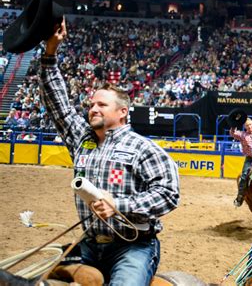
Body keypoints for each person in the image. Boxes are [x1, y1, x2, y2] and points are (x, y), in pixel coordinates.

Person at [40, 19, 180, 285]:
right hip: (89, 243)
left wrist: (119, 205)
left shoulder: (143, 148)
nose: (93, 108)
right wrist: (50, 53)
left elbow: (169, 194)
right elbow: (57, 103)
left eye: (102, 105)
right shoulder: (83, 139)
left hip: (133, 247)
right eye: (92, 104)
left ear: (122, 112)